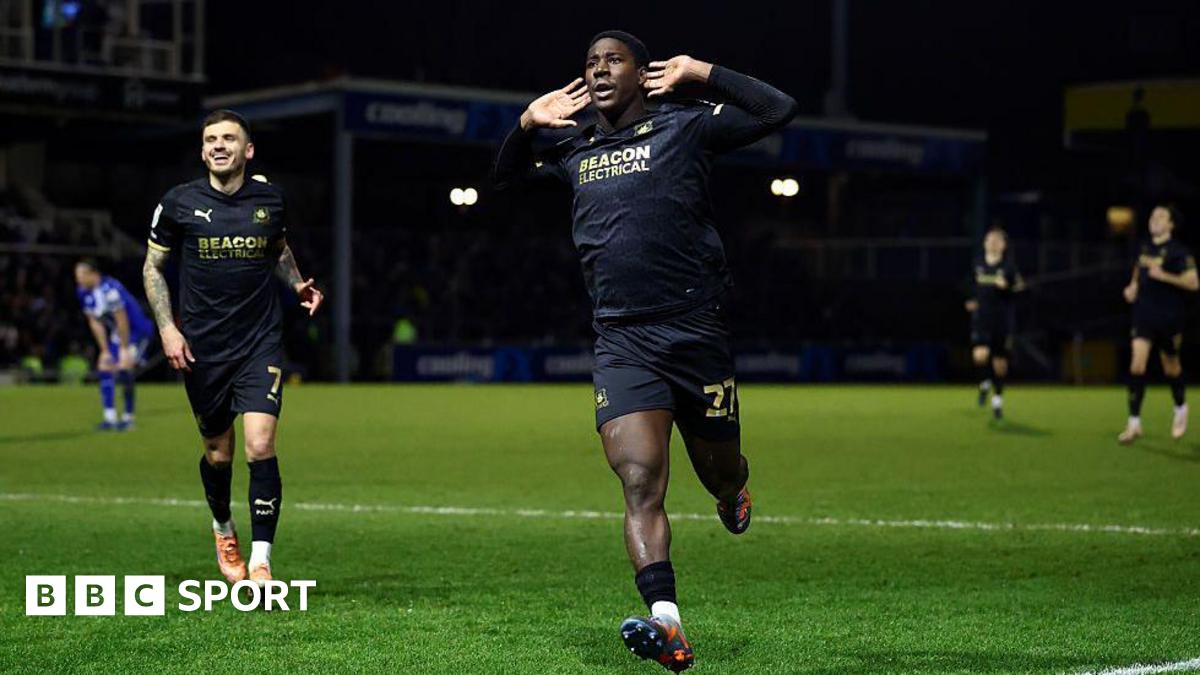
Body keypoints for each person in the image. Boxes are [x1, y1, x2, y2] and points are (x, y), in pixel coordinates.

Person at [494, 30, 797, 672]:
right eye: (591, 63)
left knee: (719, 469)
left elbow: (778, 110)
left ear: (642, 74)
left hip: (695, 330)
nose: (600, 70)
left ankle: (733, 490)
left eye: (614, 60)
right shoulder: (576, 151)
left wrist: (702, 71)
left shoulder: (686, 126)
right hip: (622, 340)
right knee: (639, 480)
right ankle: (668, 623)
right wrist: (525, 125)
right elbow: (504, 183)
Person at [142, 109, 324, 586]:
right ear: (203, 151)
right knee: (218, 454)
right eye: (210, 139)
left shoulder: (271, 200)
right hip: (202, 348)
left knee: (260, 445)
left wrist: (296, 283)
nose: (218, 145)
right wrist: (168, 329)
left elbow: (277, 248)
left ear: (248, 149)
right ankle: (223, 528)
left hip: (260, 341)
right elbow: (152, 268)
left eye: (228, 138)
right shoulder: (178, 202)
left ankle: (261, 561)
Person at [1119, 205, 1197, 444]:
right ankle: (1134, 423)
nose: (1154, 219)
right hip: (1143, 314)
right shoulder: (1144, 248)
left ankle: (1180, 407)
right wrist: (1132, 288)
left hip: (1169, 317)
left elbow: (1194, 283)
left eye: (1161, 216)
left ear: (1171, 224)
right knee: (1137, 364)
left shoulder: (1179, 252)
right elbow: (1138, 270)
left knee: (1171, 368)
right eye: (1153, 215)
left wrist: (1165, 276)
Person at [75, 258, 154, 430]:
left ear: (93, 274)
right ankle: (109, 418)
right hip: (118, 334)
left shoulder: (110, 289)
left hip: (137, 332)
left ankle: (128, 418)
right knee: (105, 367)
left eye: (81, 274)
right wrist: (104, 350)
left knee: (124, 368)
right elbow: (94, 322)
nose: (78, 279)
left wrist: (124, 349)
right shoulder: (83, 292)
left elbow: (122, 319)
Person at [964, 228, 1024, 420]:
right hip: (982, 319)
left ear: (1003, 245)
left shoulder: (1009, 267)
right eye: (990, 239)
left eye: (997, 240)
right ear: (984, 243)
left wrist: (1007, 287)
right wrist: (971, 300)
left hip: (1002, 321)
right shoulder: (977, 264)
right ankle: (984, 382)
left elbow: (1021, 290)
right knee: (979, 356)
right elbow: (970, 285)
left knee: (999, 364)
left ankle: (997, 400)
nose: (993, 243)